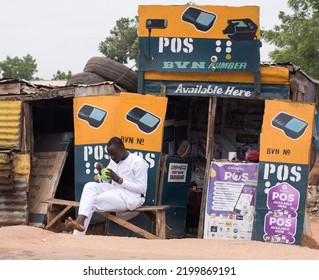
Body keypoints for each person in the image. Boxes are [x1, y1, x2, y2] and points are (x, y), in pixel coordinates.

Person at [65, 136, 149, 235]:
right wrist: (101, 172)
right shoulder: (114, 160)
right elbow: (105, 181)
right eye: (110, 155)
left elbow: (142, 189)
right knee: (89, 186)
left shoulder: (138, 162)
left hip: (131, 197)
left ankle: (77, 233)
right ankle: (80, 222)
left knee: (93, 201)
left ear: (122, 148)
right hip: (116, 190)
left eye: (114, 154)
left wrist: (120, 180)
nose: (112, 157)